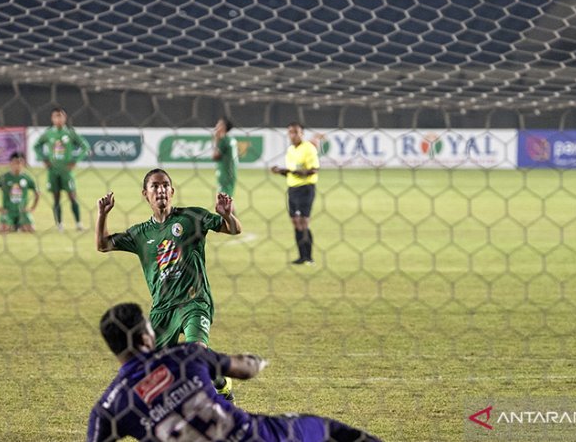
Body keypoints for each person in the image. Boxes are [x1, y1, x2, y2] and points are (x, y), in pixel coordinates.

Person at [87, 302, 382, 442]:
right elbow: (243, 369)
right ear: (146, 338)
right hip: (256, 437)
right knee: (328, 431)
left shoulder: (109, 408)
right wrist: (259, 361)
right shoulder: (183, 355)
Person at [95, 168, 242, 399]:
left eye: (165, 185)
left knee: (195, 354)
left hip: (194, 301)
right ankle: (220, 380)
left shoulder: (192, 217)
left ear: (172, 191)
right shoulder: (140, 234)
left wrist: (226, 215)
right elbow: (103, 245)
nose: (161, 190)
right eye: (155, 186)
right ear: (145, 193)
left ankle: (217, 395)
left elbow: (234, 229)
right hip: (163, 309)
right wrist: (102, 214)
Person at [32, 107, 90, 232]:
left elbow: (85, 146)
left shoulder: (70, 133)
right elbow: (36, 146)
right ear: (52, 119)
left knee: (72, 196)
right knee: (56, 198)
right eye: (56, 116)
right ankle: (59, 225)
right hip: (53, 171)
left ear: (65, 118)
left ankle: (79, 224)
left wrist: (75, 161)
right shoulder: (48, 133)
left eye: (60, 116)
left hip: (66, 171)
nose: (58, 119)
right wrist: (44, 159)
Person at [271, 122, 320, 266]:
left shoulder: (309, 148)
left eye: (296, 132)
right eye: (290, 132)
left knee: (304, 221)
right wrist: (280, 171)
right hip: (292, 190)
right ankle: (301, 256)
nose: (293, 135)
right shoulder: (291, 150)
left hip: (306, 188)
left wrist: (293, 172)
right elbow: (291, 173)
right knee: (295, 222)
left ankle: (309, 257)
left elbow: (314, 170)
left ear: (302, 134)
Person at [0, 152, 40, 233]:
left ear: (23, 164)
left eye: (20, 162)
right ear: (11, 163)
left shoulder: (26, 178)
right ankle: (13, 225)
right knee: (3, 229)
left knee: (30, 230)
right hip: (8, 211)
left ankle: (19, 225)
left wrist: (32, 208)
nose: (18, 165)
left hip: (22, 211)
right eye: (15, 162)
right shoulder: (4, 177)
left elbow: (37, 193)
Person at [212, 117, 239, 200]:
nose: (216, 126)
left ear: (223, 127)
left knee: (223, 201)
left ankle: (230, 213)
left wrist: (216, 139)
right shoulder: (231, 139)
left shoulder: (223, 140)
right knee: (227, 200)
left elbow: (215, 156)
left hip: (225, 174)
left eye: (219, 124)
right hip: (231, 172)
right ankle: (232, 213)